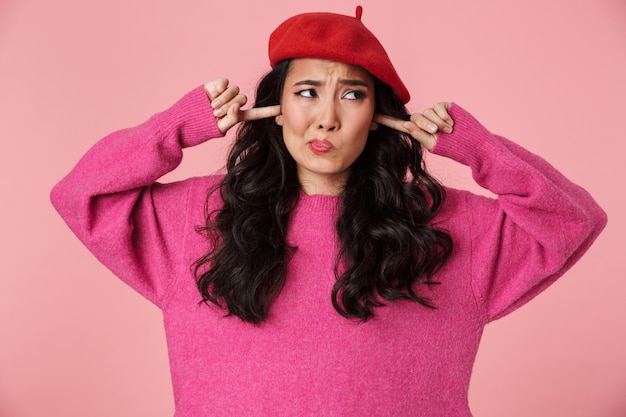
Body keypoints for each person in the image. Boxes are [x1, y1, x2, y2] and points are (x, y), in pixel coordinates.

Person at [50, 6, 607, 417]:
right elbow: (82, 195)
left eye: (352, 95)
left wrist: (480, 150)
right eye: (308, 91)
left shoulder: (448, 229)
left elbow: (573, 219)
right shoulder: (197, 216)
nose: (326, 119)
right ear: (274, 106)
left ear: (380, 116)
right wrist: (174, 127)